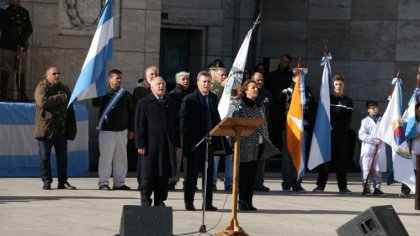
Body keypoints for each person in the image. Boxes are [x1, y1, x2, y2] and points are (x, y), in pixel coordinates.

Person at [135, 77, 180, 206]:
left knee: (163, 173)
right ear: (151, 87)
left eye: (163, 84)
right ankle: (145, 199)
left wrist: (176, 143)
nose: (161, 86)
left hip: (166, 146)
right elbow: (139, 125)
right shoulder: (144, 103)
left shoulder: (170, 103)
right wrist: (140, 143)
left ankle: (160, 200)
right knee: (148, 173)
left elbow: (176, 125)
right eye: (158, 84)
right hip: (149, 146)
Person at [180, 71, 220, 211]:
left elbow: (216, 119)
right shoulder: (190, 99)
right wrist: (185, 144)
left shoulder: (213, 98)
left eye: (209, 82)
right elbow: (183, 124)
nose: (207, 84)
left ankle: (207, 202)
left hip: (209, 142)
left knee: (208, 174)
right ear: (197, 83)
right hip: (194, 143)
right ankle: (189, 202)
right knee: (191, 175)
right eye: (204, 82)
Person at [34, 66, 76, 190]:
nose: (57, 76)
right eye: (54, 74)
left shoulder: (64, 88)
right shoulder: (42, 87)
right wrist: (60, 97)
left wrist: (71, 127)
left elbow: (70, 107)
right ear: (47, 76)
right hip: (46, 130)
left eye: (58, 73)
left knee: (62, 158)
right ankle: (47, 181)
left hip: (60, 130)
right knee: (44, 157)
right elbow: (42, 102)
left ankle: (62, 182)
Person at [232, 79, 271, 211]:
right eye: (253, 87)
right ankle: (242, 201)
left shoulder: (259, 105)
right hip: (245, 144)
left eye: (257, 87)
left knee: (252, 175)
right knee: (244, 174)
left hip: (258, 144)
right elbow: (235, 123)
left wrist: (266, 139)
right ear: (245, 90)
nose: (256, 89)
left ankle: (249, 200)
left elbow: (264, 123)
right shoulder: (240, 105)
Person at [92, 69, 134, 191]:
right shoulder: (103, 93)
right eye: (116, 78)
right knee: (106, 157)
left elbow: (132, 113)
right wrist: (99, 90)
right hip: (107, 130)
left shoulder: (126, 94)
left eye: (120, 78)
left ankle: (119, 183)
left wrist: (131, 129)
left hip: (122, 130)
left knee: (121, 157)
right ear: (110, 79)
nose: (119, 81)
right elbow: (95, 103)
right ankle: (103, 182)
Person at [313, 74, 353, 193]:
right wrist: (327, 126)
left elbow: (347, 119)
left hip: (341, 136)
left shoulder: (348, 101)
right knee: (325, 162)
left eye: (340, 84)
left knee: (341, 162)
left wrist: (333, 126)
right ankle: (320, 185)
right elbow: (323, 116)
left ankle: (343, 187)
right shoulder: (327, 99)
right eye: (336, 84)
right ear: (332, 85)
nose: (338, 86)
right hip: (327, 136)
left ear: (343, 85)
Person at [279, 70, 316, 192]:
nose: (301, 79)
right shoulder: (286, 92)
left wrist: (307, 123)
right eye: (298, 77)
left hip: (302, 129)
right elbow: (278, 112)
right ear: (293, 78)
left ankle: (297, 183)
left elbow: (312, 109)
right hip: (289, 129)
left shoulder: (307, 92)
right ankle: (286, 183)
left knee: (300, 156)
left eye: (303, 77)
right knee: (287, 157)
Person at [0, 0, 33, 101]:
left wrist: (23, 38)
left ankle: (21, 94)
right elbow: (4, 27)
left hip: (21, 47)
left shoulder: (24, 11)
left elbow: (29, 28)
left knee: (21, 70)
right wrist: (16, 38)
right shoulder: (4, 11)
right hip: (8, 46)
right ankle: (3, 94)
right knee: (6, 69)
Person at [132, 66, 158, 189]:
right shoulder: (140, 90)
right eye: (151, 74)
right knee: (143, 158)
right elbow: (139, 111)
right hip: (144, 129)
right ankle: (141, 182)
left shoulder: (160, 87)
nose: (154, 76)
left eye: (156, 74)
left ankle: (152, 181)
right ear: (146, 76)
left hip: (156, 131)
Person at [168, 71, 193, 190]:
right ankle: (173, 180)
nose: (186, 81)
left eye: (187, 79)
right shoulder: (173, 94)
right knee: (176, 157)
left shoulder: (190, 93)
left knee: (188, 158)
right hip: (178, 131)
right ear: (177, 80)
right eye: (183, 79)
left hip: (189, 130)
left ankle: (187, 180)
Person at [210, 66, 233, 192]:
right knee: (216, 156)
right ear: (216, 77)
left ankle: (229, 182)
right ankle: (213, 181)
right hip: (217, 126)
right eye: (222, 75)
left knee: (230, 156)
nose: (224, 77)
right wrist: (222, 87)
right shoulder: (214, 88)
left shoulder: (231, 88)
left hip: (229, 125)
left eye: (226, 75)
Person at [266, 54, 294, 155]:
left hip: (285, 110)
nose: (283, 63)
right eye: (282, 60)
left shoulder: (291, 77)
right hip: (272, 109)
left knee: (282, 131)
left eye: (286, 61)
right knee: (272, 131)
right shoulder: (271, 75)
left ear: (289, 63)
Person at [358, 100, 387, 196]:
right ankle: (366, 187)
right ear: (368, 110)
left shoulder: (382, 120)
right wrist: (374, 140)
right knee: (366, 168)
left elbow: (386, 131)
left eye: (376, 107)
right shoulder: (365, 121)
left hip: (379, 148)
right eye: (372, 108)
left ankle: (377, 188)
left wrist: (383, 138)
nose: (375, 109)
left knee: (378, 169)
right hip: (368, 148)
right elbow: (361, 135)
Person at [252, 72, 272, 192]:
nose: (260, 82)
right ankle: (250, 182)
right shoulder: (248, 95)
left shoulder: (267, 94)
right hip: (251, 131)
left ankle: (259, 183)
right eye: (257, 80)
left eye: (261, 80)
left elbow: (272, 111)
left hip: (264, 130)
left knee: (261, 158)